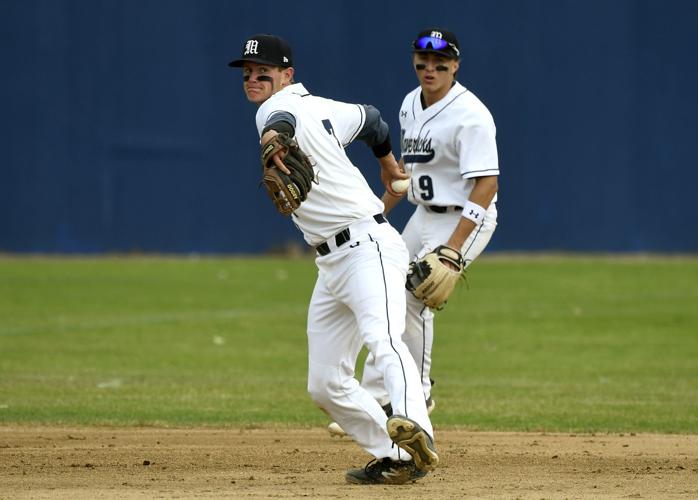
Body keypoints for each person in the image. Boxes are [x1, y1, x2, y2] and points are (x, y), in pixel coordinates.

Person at [228, 33, 438, 485]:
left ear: (287, 75)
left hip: (369, 247)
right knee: (325, 382)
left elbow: (279, 120)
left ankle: (417, 427)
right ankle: (398, 454)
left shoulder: (274, 108)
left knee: (383, 339)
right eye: (247, 73)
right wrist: (386, 162)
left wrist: (272, 135)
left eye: (263, 71)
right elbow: (375, 121)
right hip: (332, 263)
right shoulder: (324, 107)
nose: (253, 79)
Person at [328, 27, 499, 437]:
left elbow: (487, 183)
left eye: (441, 63)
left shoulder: (471, 115)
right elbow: (407, 173)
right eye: (423, 62)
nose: (431, 69)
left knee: (416, 296)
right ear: (414, 62)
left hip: (464, 217)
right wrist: (376, 214)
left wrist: (454, 249)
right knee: (387, 290)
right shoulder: (410, 104)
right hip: (423, 213)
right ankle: (376, 396)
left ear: (455, 66)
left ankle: (417, 395)